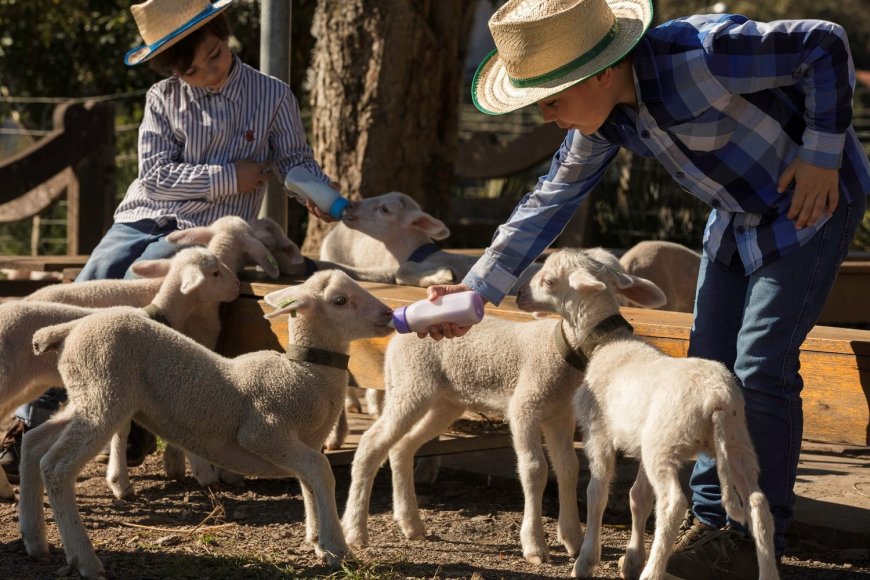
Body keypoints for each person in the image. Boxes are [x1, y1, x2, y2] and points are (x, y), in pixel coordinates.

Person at [425, 0, 870, 578]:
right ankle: (711, 522)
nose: (544, 116)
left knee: (759, 365)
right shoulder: (604, 120)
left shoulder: (701, 57)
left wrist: (820, 152)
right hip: (736, 217)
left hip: (812, 203)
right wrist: (476, 291)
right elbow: (547, 201)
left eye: (552, 99)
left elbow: (824, 42)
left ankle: (745, 536)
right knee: (707, 365)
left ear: (602, 71)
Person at [0, 0, 334, 480]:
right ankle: (34, 420)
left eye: (214, 56)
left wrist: (314, 193)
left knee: (144, 301)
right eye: (191, 71)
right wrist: (229, 176)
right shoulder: (163, 97)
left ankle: (131, 412)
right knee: (89, 284)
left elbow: (293, 159)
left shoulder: (272, 95)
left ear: (223, 34)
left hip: (201, 232)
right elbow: (154, 177)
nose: (207, 74)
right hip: (141, 216)